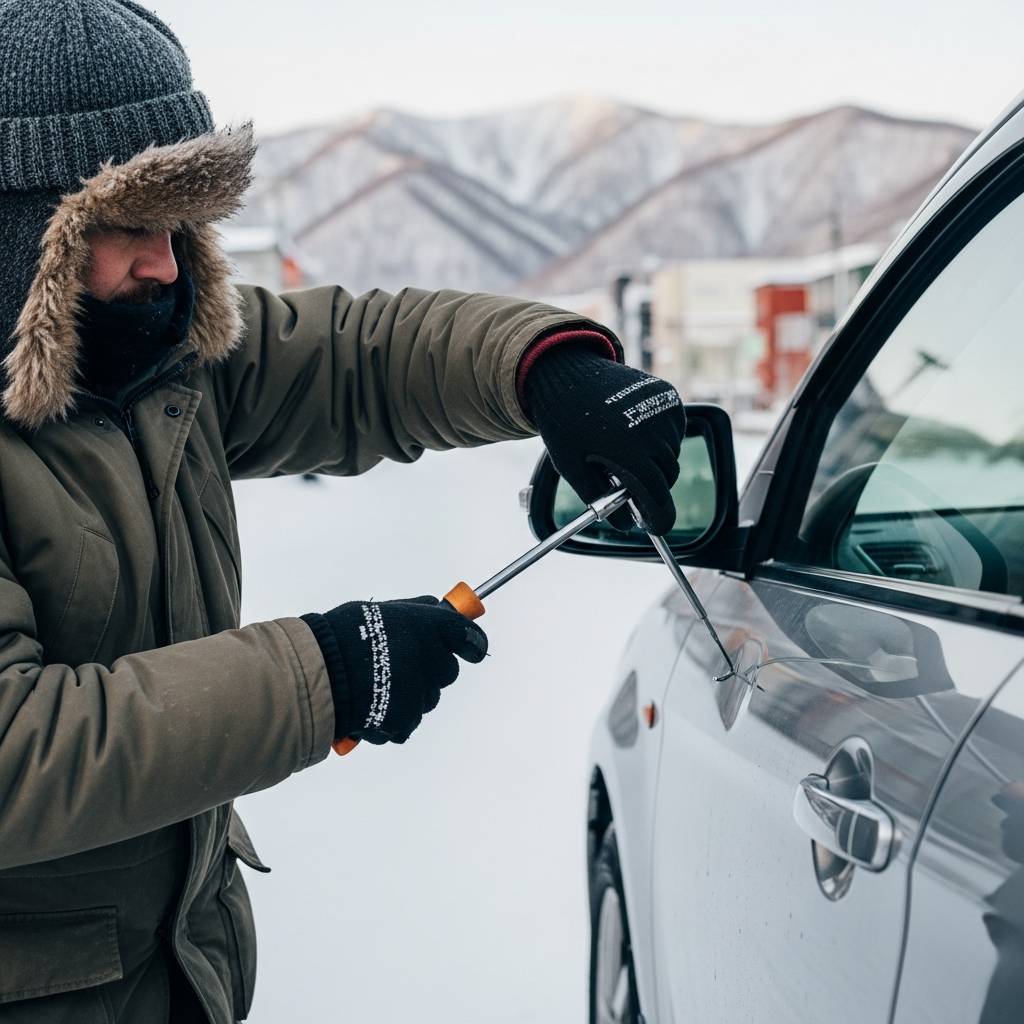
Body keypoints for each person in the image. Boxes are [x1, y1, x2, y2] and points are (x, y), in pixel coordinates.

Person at [0, 2, 686, 1021]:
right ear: (20, 232)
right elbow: (15, 753)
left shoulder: (145, 355)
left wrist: (544, 369)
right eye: (127, 225)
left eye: (180, 224)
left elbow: (359, 357)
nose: (166, 263)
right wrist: (325, 671)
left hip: (171, 971)